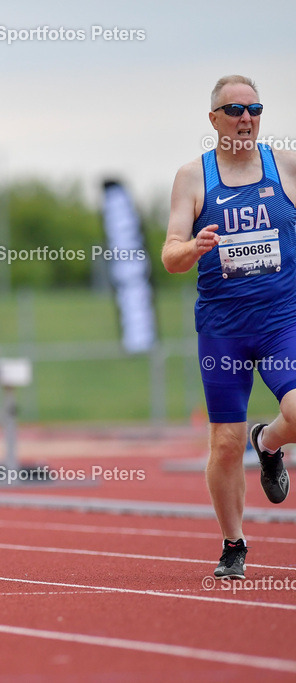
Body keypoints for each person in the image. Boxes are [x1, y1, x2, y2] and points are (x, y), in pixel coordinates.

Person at [162, 75, 293, 580]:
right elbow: (170, 253)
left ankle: (272, 442)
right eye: (235, 109)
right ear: (213, 119)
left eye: (254, 109)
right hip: (224, 328)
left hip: (283, 320)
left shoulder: (284, 166)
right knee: (224, 442)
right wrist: (192, 247)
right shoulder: (193, 178)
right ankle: (233, 541)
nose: (246, 118)